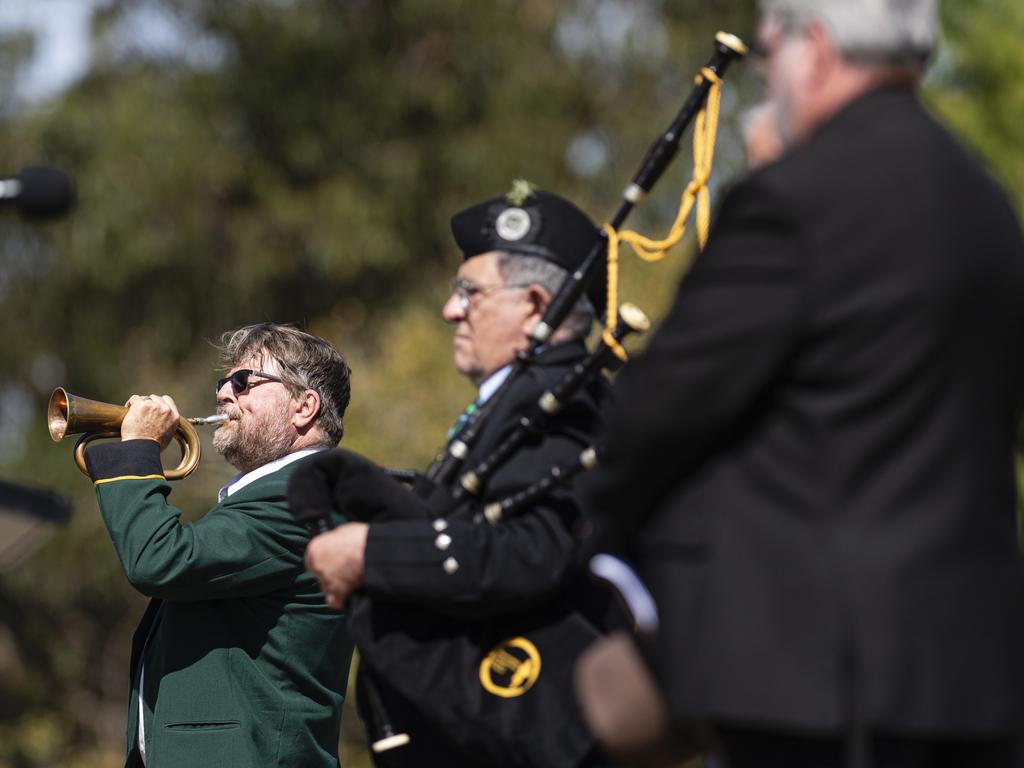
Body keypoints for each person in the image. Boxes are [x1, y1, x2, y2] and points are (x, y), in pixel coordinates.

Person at [581, 1, 1024, 766]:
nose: (768, 85)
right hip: (965, 677)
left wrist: (599, 549)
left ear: (815, 49)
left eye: (768, 55)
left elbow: (662, 410)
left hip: (808, 678)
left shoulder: (794, 200)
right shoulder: (987, 207)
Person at [294, 185, 617, 767]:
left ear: (537, 305)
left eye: (471, 291)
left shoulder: (561, 399)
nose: (451, 309)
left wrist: (372, 551)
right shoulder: (519, 399)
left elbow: (531, 550)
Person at [83, 323, 355, 768]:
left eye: (244, 382)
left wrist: (138, 453)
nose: (225, 394)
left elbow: (160, 559)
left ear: (304, 406)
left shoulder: (305, 499)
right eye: (223, 383)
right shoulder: (272, 497)